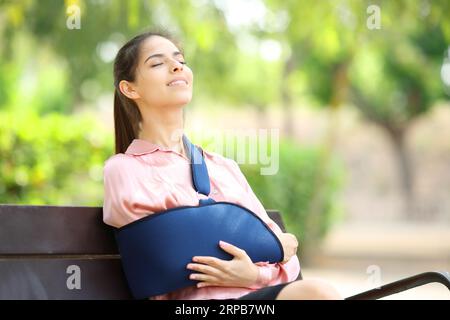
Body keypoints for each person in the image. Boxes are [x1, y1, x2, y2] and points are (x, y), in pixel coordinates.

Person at [102, 30, 342, 300]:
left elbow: (288, 260)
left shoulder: (223, 167)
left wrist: (253, 274)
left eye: (180, 59)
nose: (176, 66)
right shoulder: (125, 169)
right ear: (130, 88)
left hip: (252, 298)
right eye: (157, 63)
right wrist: (268, 246)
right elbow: (164, 256)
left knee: (318, 293)